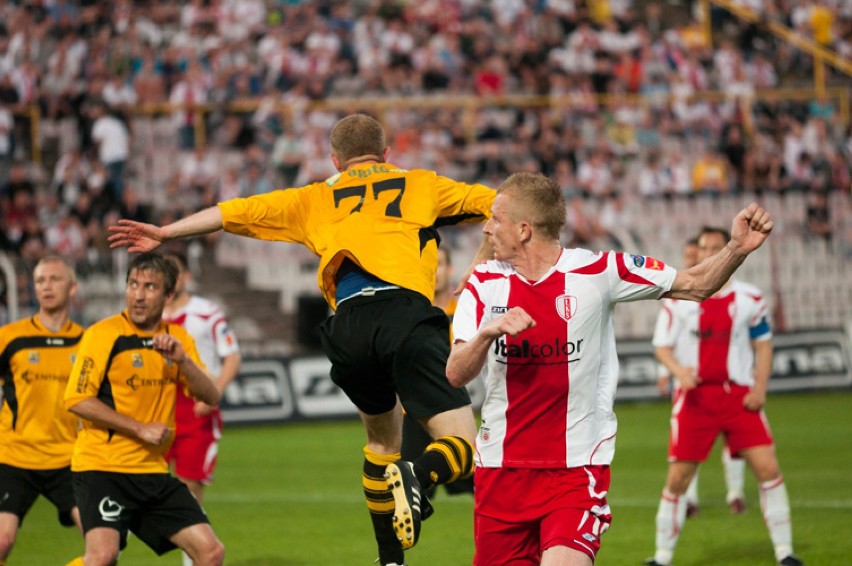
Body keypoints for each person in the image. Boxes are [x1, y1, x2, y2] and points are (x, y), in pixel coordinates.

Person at [107, 113, 496, 566]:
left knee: (380, 445)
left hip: (347, 326)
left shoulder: (315, 196)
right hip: (403, 314)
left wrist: (167, 232)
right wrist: (479, 265)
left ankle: (389, 559)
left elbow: (234, 212)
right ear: (387, 155)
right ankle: (417, 474)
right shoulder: (420, 183)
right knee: (465, 445)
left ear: (335, 160)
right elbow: (503, 203)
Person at [444, 172, 775, 566]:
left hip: (576, 469)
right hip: (501, 470)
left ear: (524, 229)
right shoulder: (483, 283)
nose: (486, 228)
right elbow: (455, 373)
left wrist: (737, 248)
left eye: (495, 219)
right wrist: (487, 334)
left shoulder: (600, 271)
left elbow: (693, 284)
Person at [645, 227, 803, 566]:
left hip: (739, 397)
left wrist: (760, 387)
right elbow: (661, 347)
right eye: (706, 247)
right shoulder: (678, 300)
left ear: (731, 252)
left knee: (768, 467)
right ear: (698, 252)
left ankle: (785, 553)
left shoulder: (750, 298)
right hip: (695, 400)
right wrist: (679, 371)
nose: (712, 252)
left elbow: (763, 345)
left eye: (719, 247)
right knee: (677, 479)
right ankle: (661, 557)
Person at [63, 253, 225, 566]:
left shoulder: (177, 339)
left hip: (151, 471)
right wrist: (138, 427)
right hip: (102, 468)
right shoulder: (103, 334)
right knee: (102, 557)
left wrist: (184, 361)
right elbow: (77, 399)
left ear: (168, 295)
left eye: (150, 287)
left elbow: (211, 395)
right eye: (133, 284)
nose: (138, 295)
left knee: (211, 552)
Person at [654, 237, 746, 518]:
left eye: (695, 254)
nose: (692, 259)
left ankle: (736, 493)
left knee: (734, 442)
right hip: (688, 382)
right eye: (688, 254)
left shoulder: (733, 296)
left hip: (726, 382)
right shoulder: (678, 299)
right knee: (688, 447)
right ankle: (690, 499)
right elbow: (666, 339)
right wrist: (667, 372)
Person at [0, 256, 84, 561]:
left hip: (68, 460)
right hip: (14, 457)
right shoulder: (10, 338)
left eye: (54, 279)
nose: (46, 286)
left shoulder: (86, 343)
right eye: (40, 281)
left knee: (104, 546)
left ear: (73, 288)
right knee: (2, 540)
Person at [162, 251, 242, 566]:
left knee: (189, 489)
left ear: (186, 277)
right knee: (139, 484)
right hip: (154, 409)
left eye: (174, 272)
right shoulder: (147, 315)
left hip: (195, 408)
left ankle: (193, 559)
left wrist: (214, 393)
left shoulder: (207, 313)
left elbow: (232, 355)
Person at [401, 245, 474, 498]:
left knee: (489, 487)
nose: (434, 271)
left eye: (439, 264)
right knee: (407, 497)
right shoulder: (407, 316)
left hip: (457, 412)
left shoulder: (468, 312)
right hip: (413, 415)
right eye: (428, 265)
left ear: (450, 269)